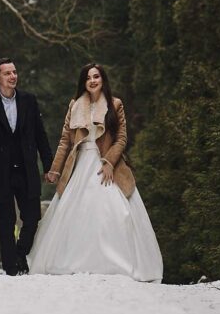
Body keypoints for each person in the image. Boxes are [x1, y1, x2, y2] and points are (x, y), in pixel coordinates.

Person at [27, 62, 163, 281]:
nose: (92, 80)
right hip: (80, 165)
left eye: (96, 76)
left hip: (106, 165)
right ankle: (76, 261)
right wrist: (55, 169)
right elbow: (65, 141)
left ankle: (117, 263)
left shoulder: (115, 104)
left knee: (115, 211)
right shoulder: (75, 106)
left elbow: (121, 139)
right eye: (88, 77)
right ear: (84, 82)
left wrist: (109, 162)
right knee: (73, 212)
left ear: (103, 80)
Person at [0, 57, 54, 275]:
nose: (13, 76)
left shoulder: (29, 101)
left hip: (27, 169)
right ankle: (11, 268)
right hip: (0, 171)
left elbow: (41, 136)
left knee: (32, 217)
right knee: (6, 222)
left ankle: (20, 254)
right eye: (7, 73)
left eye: (14, 72)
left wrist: (50, 166)